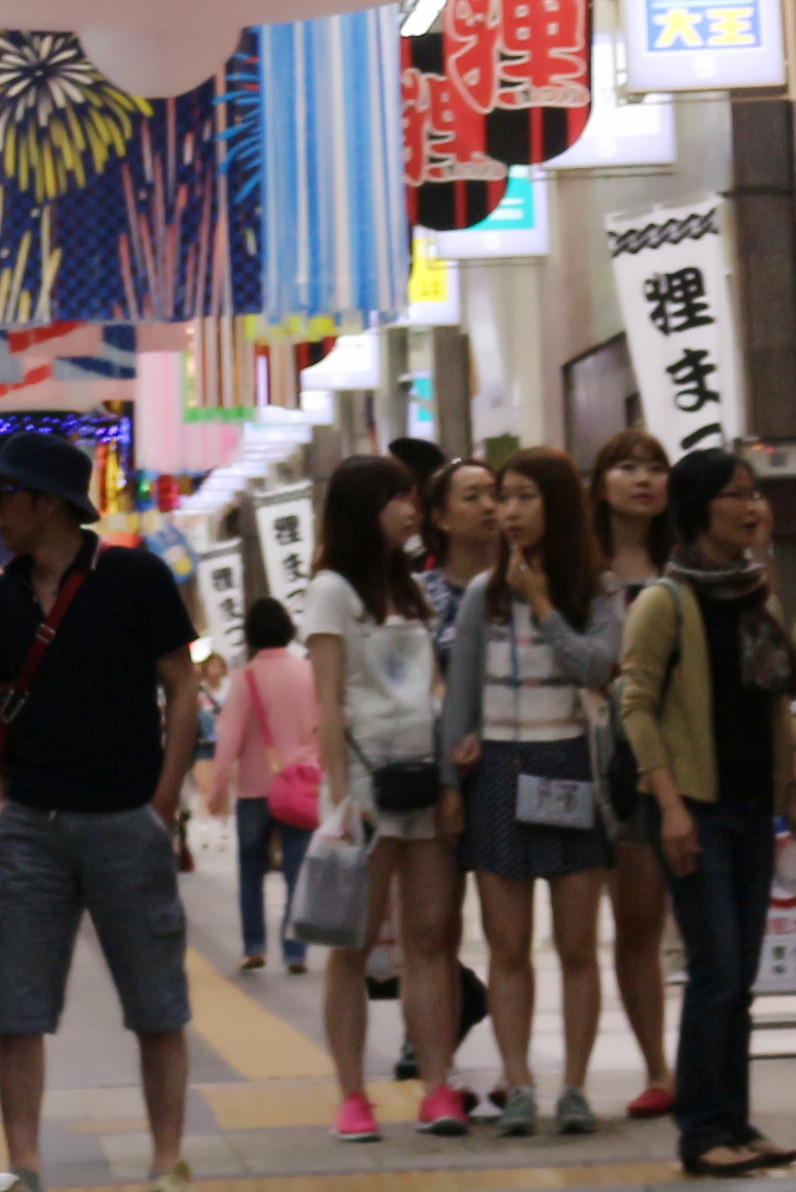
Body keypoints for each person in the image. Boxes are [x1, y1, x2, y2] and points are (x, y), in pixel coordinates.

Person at [0, 437, 200, 1192]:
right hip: (34, 820)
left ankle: (167, 1160)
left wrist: (162, 804)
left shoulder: (133, 577)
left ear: (46, 503)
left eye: (4, 496)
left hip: (123, 815)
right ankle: (24, 1165)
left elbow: (183, 688)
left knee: (155, 999)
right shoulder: (2, 595)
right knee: (17, 1001)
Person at [615, 448, 796, 1181]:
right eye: (736, 494)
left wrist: (788, 794)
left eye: (754, 492)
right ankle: (701, 1131)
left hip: (752, 806)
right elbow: (636, 706)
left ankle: (734, 1120)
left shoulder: (754, 590)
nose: (752, 504)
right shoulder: (665, 601)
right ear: (700, 508)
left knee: (741, 976)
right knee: (716, 971)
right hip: (693, 808)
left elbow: (776, 693)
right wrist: (668, 805)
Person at [445, 449, 620, 1135]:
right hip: (496, 773)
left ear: (556, 506)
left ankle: (574, 1086)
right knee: (507, 946)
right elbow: (458, 701)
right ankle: (518, 1083)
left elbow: (596, 665)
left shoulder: (597, 589)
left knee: (578, 945)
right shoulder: (480, 595)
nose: (507, 512)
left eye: (522, 497)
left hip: (571, 764)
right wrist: (448, 783)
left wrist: (544, 605)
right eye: (500, 497)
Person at [295, 453, 463, 1144]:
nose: (412, 508)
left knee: (430, 938)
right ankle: (351, 1096)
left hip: (422, 777)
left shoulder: (413, 587)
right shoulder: (332, 589)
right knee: (351, 945)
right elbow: (328, 702)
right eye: (399, 497)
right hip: (365, 788)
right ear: (366, 507)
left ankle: (437, 1086)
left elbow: (429, 688)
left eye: (414, 497)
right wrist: (340, 800)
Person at [585, 430, 682, 1126]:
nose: (642, 479)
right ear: (601, 483)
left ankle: (700, 1064)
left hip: (693, 751)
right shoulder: (582, 570)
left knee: (704, 923)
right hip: (616, 760)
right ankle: (657, 1068)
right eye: (626, 467)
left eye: (654, 467)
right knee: (637, 921)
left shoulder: (689, 562)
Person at [207, 596, 316, 974]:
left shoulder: (244, 679)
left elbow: (230, 736)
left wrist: (217, 785)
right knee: (297, 870)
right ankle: (295, 950)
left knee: (250, 870)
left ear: (251, 634)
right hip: (300, 786)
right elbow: (321, 729)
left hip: (255, 790)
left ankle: (254, 945)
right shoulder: (308, 672)